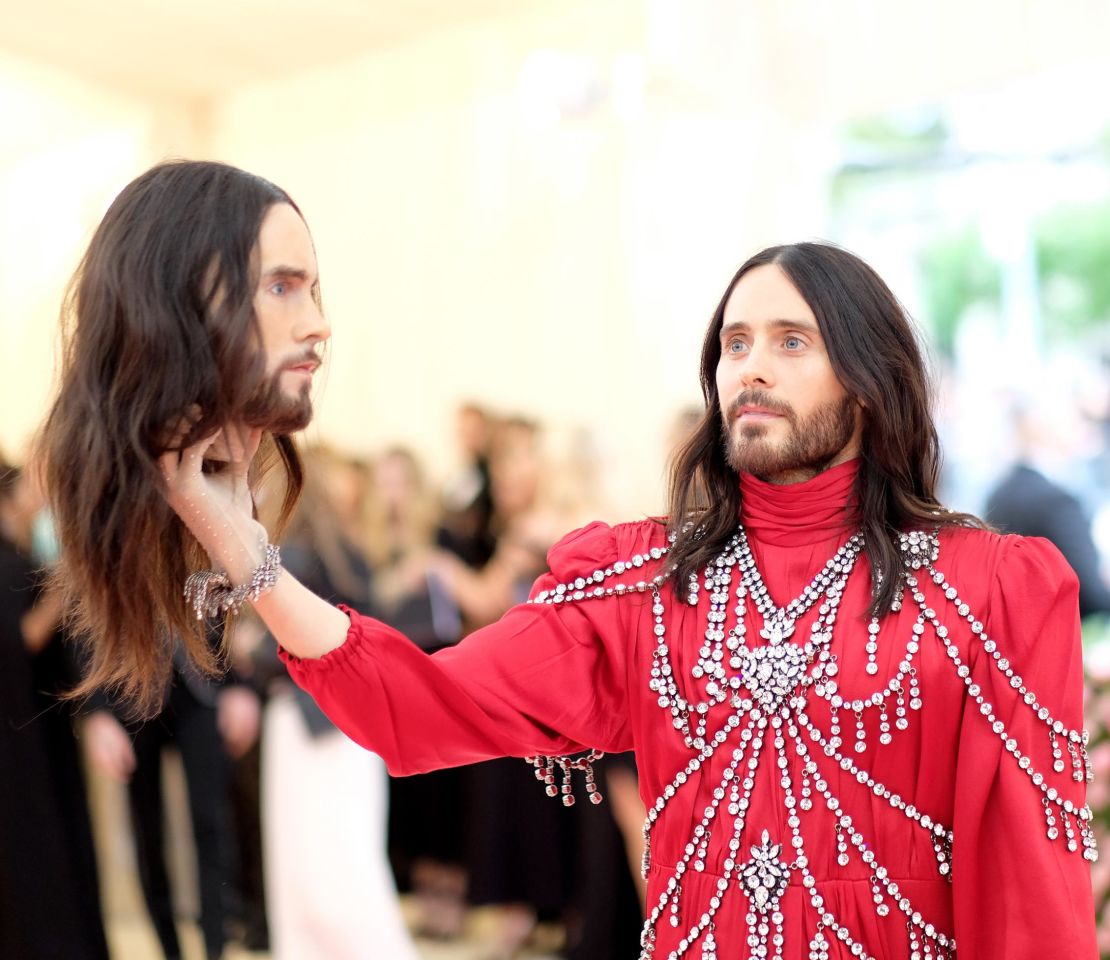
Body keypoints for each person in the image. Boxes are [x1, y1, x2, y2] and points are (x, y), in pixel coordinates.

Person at [40, 159, 1096, 959]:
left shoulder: (991, 588)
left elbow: (1031, 895)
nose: (751, 370)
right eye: (733, 344)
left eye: (791, 341)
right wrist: (243, 548)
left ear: (869, 379)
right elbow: (418, 710)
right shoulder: (640, 587)